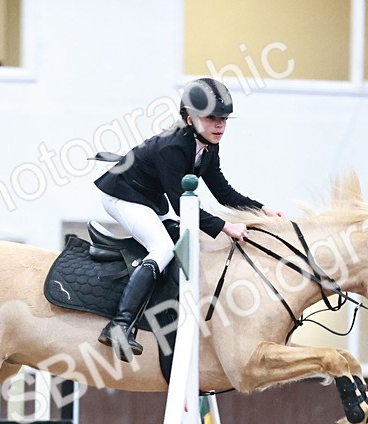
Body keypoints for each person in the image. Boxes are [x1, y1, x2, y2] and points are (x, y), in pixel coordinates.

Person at [93, 77, 285, 361]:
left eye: (223, 119)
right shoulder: (174, 147)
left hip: (146, 199)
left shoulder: (207, 146)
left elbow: (222, 192)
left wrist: (263, 209)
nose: (219, 125)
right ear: (189, 118)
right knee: (163, 248)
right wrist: (224, 227)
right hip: (122, 195)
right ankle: (119, 325)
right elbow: (183, 208)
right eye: (211, 119)